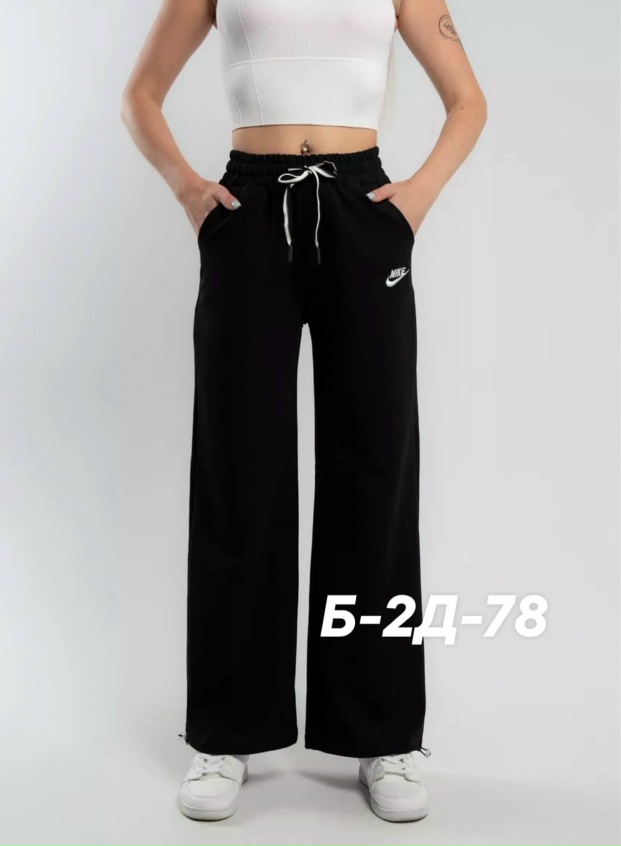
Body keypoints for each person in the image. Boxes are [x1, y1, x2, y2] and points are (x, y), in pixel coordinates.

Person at [121, 0, 487, 823]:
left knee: (376, 466)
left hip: (364, 208)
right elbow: (140, 94)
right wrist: (188, 190)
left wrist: (414, 201)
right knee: (238, 468)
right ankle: (226, 731)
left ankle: (381, 732)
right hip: (247, 212)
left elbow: (469, 101)